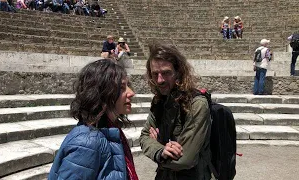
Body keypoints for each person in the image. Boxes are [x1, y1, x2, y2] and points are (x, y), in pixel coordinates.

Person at [48, 59, 139, 180]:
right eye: (122, 88)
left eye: (128, 86)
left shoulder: (110, 131)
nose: (131, 93)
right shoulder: (87, 142)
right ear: (103, 93)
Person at [139, 43, 212, 180]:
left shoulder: (196, 104)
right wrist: (161, 150)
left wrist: (157, 143)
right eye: (155, 74)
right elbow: (143, 137)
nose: (160, 80)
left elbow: (184, 160)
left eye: (166, 73)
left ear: (178, 72)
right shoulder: (159, 101)